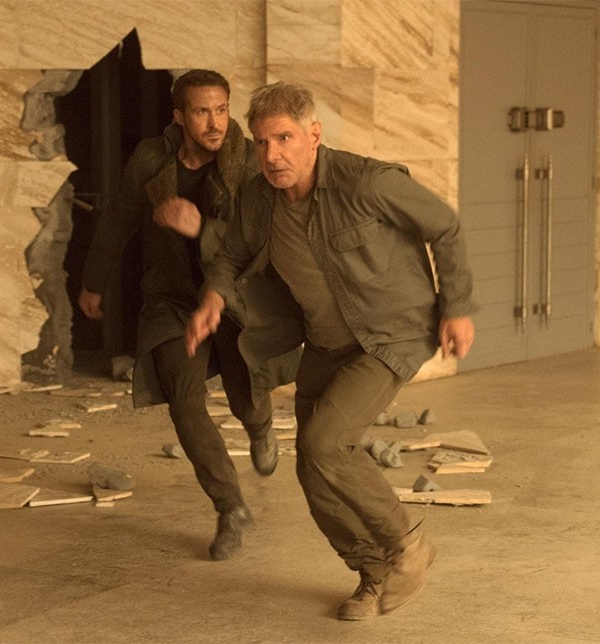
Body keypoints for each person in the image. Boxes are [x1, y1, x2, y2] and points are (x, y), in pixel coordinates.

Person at [186, 82, 476, 619]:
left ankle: (408, 544)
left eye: (284, 138)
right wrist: (213, 296)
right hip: (324, 339)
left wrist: (456, 306)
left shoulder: (366, 182)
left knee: (326, 443)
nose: (272, 155)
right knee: (311, 465)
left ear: (314, 135)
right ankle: (372, 572)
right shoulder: (259, 198)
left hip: (389, 334)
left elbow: (445, 226)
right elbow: (230, 256)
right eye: (261, 142)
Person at [79, 69, 293, 561]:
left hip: (236, 298)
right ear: (179, 116)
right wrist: (93, 281)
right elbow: (118, 218)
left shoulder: (251, 161)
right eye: (201, 112)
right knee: (183, 399)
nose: (215, 123)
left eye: (222, 110)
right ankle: (230, 507)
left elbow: (264, 239)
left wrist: (203, 229)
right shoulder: (151, 159)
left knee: (246, 398)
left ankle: (260, 424)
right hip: (173, 300)